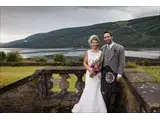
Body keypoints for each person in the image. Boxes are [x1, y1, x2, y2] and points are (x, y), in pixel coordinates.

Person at [72, 35, 107, 113]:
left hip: (97, 75)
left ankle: (98, 109)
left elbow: (100, 64)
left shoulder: (101, 53)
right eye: (93, 42)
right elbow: (84, 62)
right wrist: (90, 69)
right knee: (88, 89)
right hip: (89, 74)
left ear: (98, 43)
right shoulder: (88, 52)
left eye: (96, 42)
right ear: (91, 43)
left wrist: (96, 69)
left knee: (97, 90)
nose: (95, 44)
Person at [101, 31, 125, 113]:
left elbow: (122, 63)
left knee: (113, 92)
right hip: (104, 72)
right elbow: (100, 61)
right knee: (105, 91)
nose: (107, 38)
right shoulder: (103, 48)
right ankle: (106, 108)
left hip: (114, 72)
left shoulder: (120, 48)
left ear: (111, 37)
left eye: (108, 36)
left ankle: (112, 109)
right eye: (105, 37)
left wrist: (119, 74)